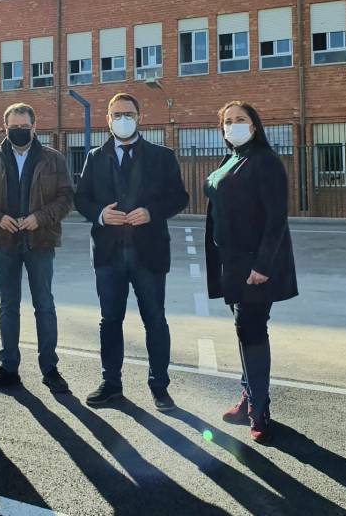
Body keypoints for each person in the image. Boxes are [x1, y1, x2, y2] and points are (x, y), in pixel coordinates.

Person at [74, 93, 189, 411]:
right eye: (116, 114)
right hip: (109, 255)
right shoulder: (95, 157)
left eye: (129, 113)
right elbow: (81, 198)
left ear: (139, 117)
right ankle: (111, 384)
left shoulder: (161, 156)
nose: (123, 119)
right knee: (110, 320)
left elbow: (179, 197)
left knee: (155, 320)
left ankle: (160, 386)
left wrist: (152, 212)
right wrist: (100, 214)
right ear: (107, 119)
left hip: (148, 254)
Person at [203, 100, 298, 443]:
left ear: (254, 125)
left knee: (253, 331)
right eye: (227, 121)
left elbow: (276, 219)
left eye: (240, 119)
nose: (232, 125)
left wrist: (263, 265)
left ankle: (260, 409)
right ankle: (248, 398)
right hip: (232, 263)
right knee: (243, 329)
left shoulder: (265, 162)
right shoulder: (233, 158)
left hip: (255, 267)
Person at [0, 103, 74, 394]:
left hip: (40, 242)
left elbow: (66, 198)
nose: (18, 131)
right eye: (13, 127)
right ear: (5, 128)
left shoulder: (53, 159)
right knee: (8, 307)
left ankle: (50, 368)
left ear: (34, 126)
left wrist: (38, 218)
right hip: (4, 243)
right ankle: (9, 367)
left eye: (23, 127)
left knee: (44, 305)